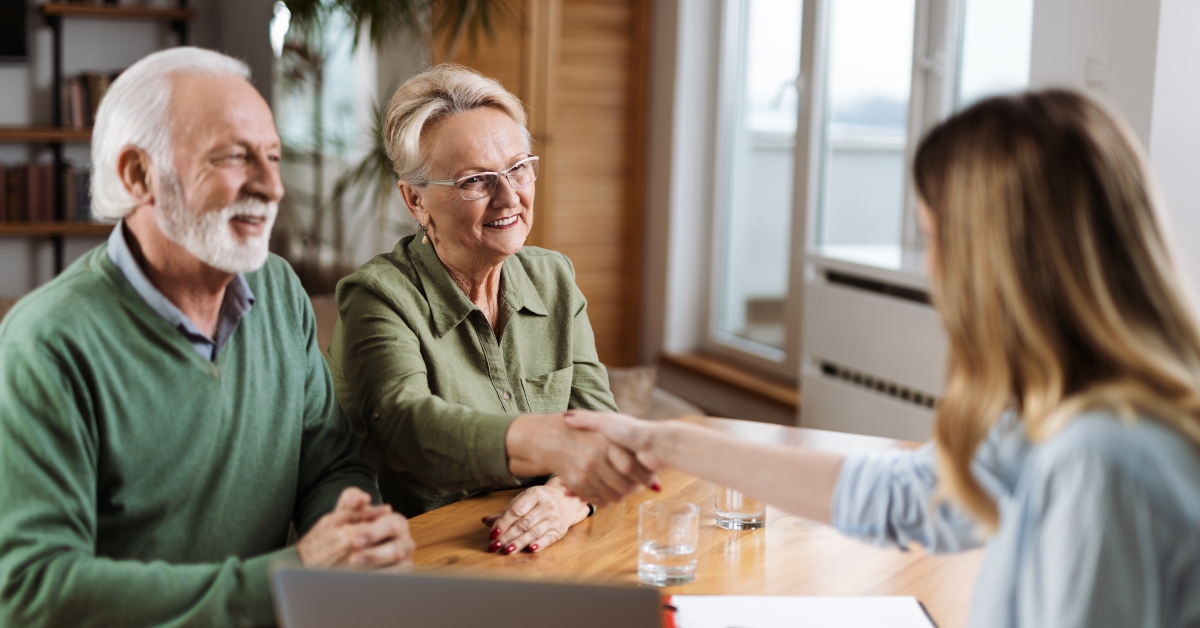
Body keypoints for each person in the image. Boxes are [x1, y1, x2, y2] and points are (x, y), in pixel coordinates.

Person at [567, 90, 1200, 627]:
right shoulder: (1061, 414)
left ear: (996, 261)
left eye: (933, 238)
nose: (931, 268)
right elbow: (901, 496)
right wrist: (659, 441)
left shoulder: (1103, 460)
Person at [0, 48, 415, 627]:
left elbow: (332, 465)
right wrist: (285, 579)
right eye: (234, 157)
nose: (273, 186)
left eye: (273, 155)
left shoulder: (278, 290)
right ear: (138, 175)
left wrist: (354, 535)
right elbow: (34, 590)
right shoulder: (44, 342)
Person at [325, 64, 657, 556]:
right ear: (415, 200)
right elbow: (409, 432)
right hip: (420, 561)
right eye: (476, 180)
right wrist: (548, 442)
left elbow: (602, 428)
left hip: (546, 550)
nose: (509, 197)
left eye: (518, 167)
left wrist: (564, 498)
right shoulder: (377, 296)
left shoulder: (555, 279)